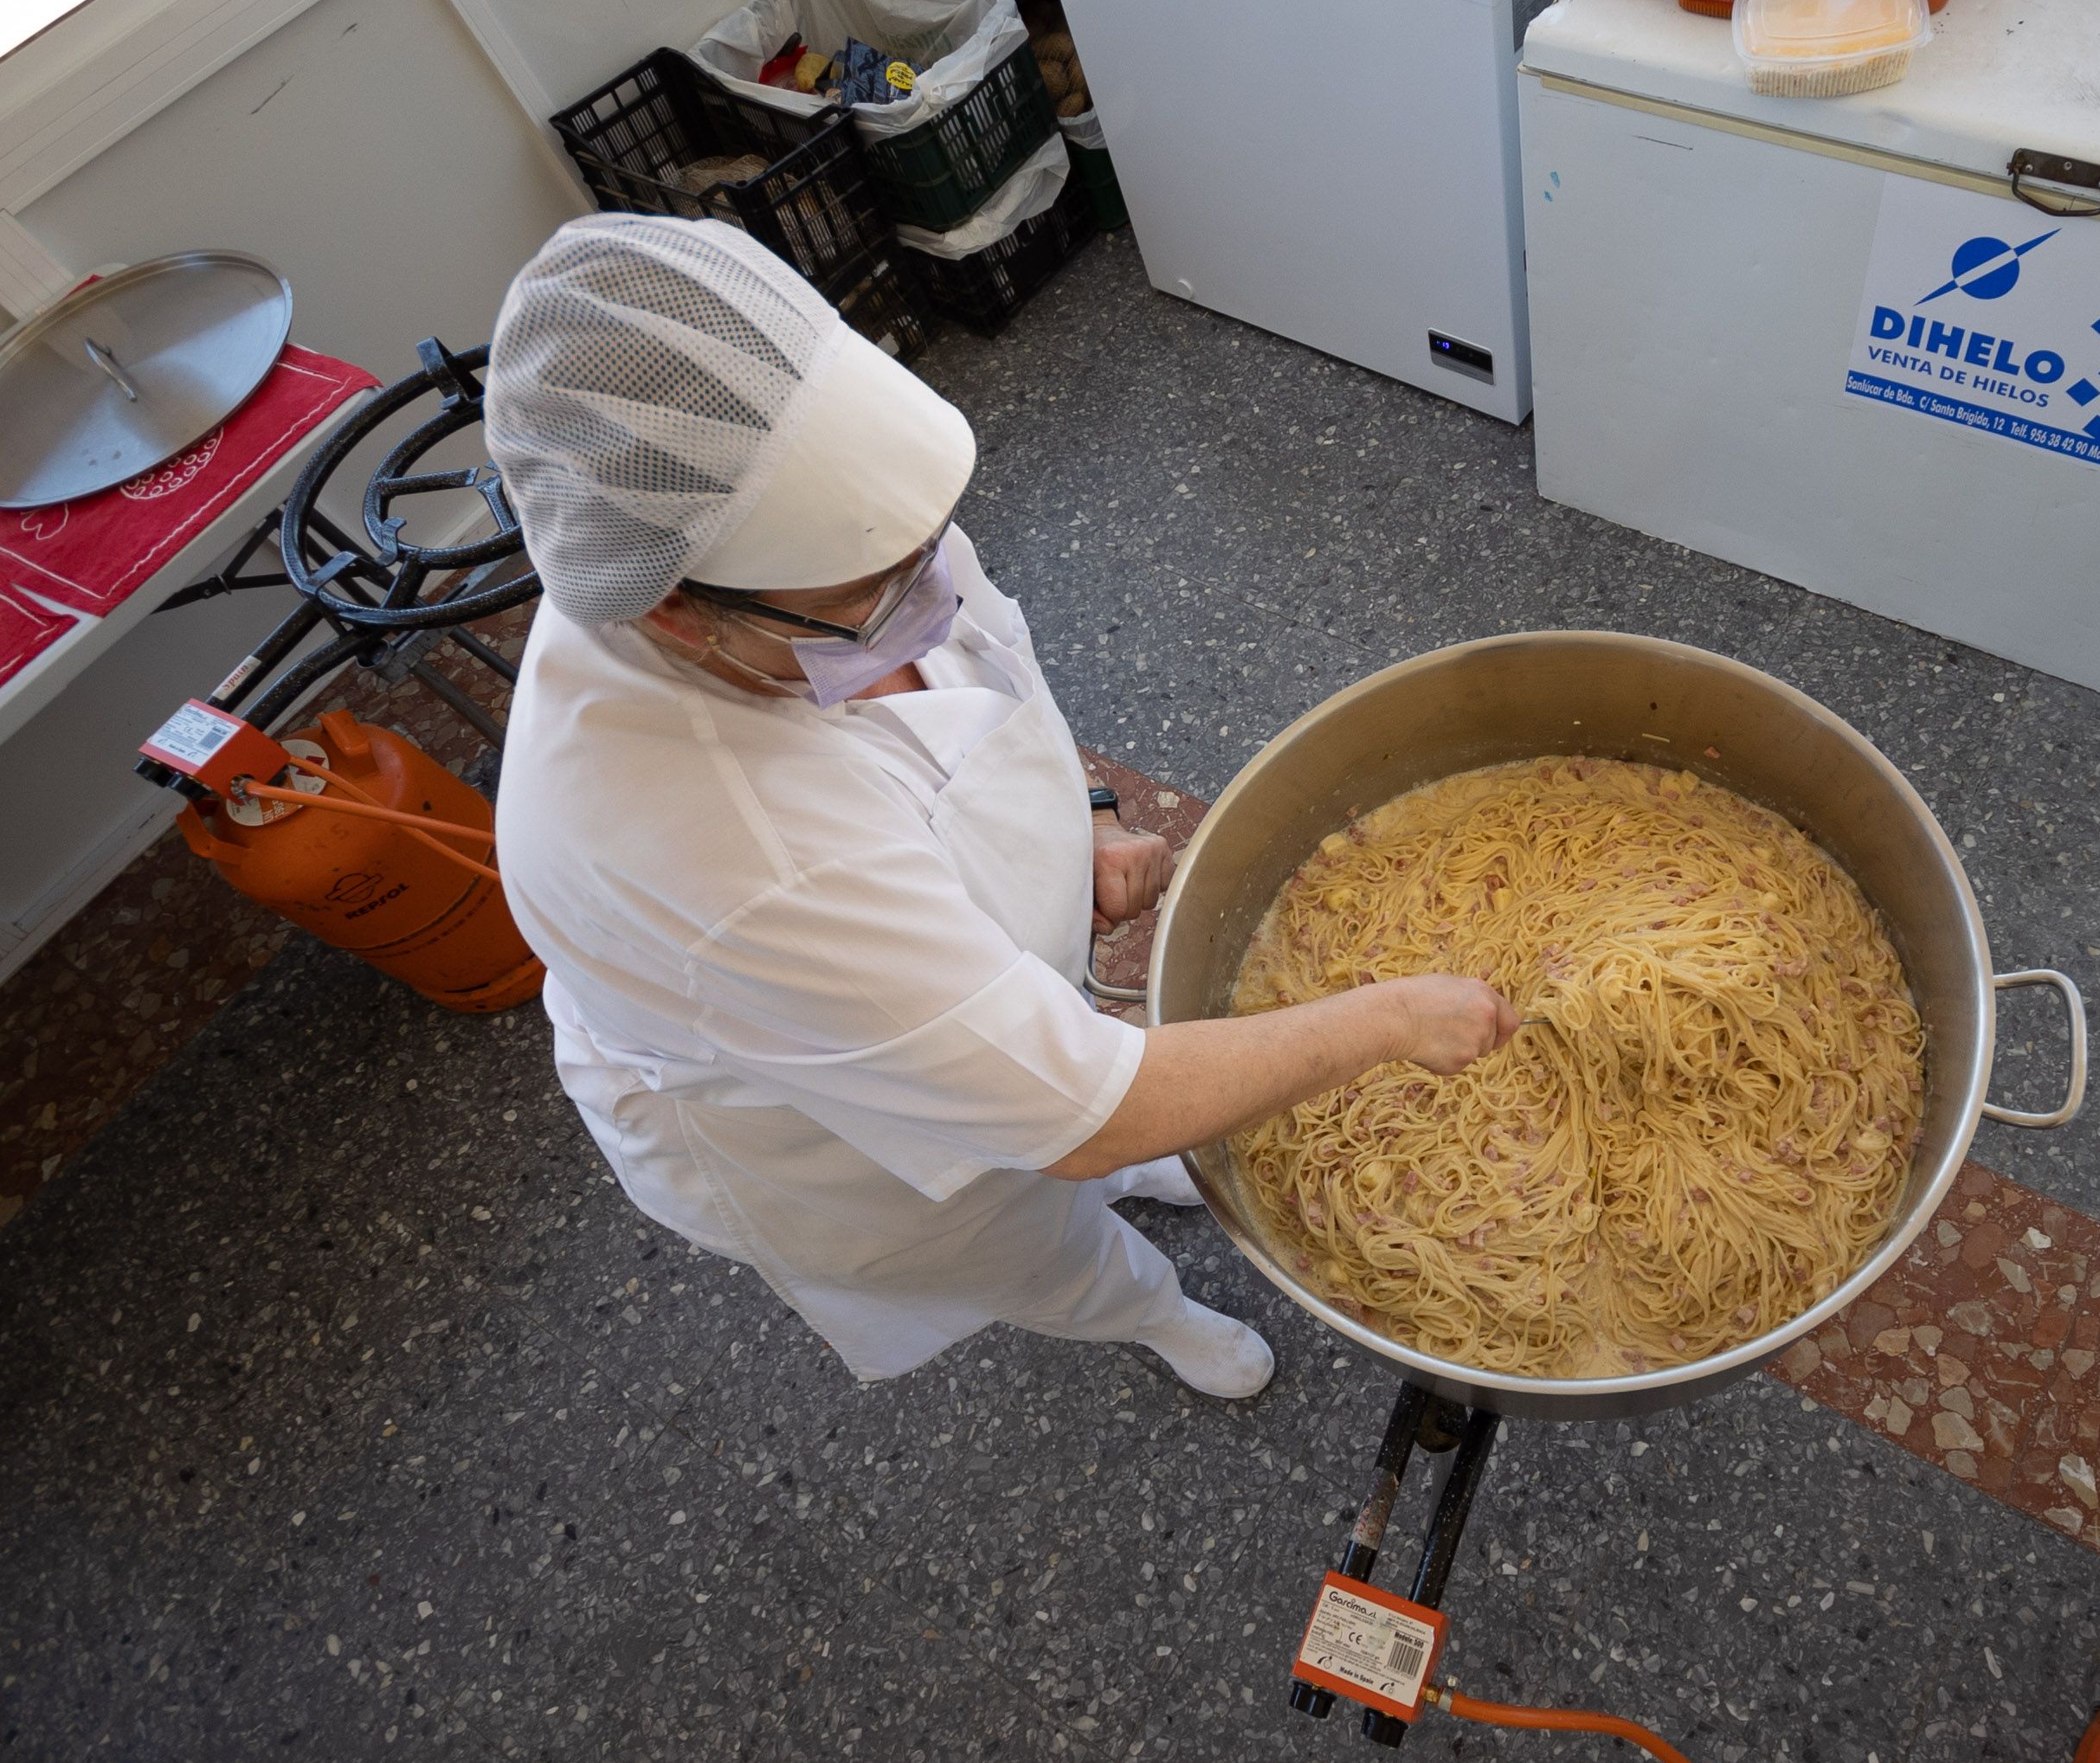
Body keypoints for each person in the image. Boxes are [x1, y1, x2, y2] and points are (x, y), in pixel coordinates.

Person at [485, 215, 1515, 1399]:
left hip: (950, 991)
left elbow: (990, 665)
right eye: (879, 595)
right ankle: (1151, 1315)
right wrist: (1393, 1018)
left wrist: (1086, 814)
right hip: (838, 1139)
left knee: (1090, 1102)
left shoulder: (830, 545)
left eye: (925, 542)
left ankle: (1139, 1155)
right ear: (674, 612)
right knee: (1030, 1243)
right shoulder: (720, 853)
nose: (929, 583)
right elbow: (1081, 1117)